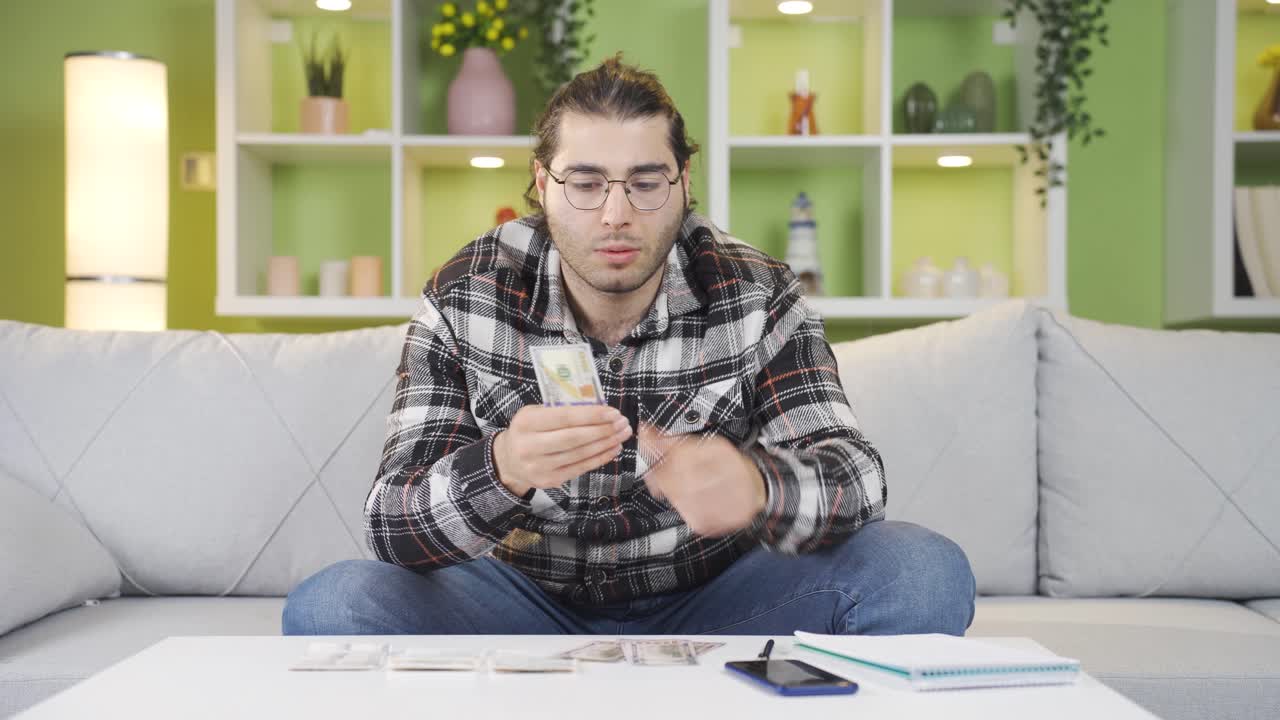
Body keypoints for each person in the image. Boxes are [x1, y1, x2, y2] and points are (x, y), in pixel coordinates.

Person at [283, 55, 974, 637]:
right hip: (521, 607)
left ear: (683, 184)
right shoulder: (467, 294)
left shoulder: (758, 293)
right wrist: (502, 467)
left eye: (645, 183)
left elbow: (856, 476)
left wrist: (760, 486)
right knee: (334, 606)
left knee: (922, 572)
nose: (616, 213)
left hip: (716, 604)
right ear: (542, 183)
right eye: (585, 183)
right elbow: (390, 522)